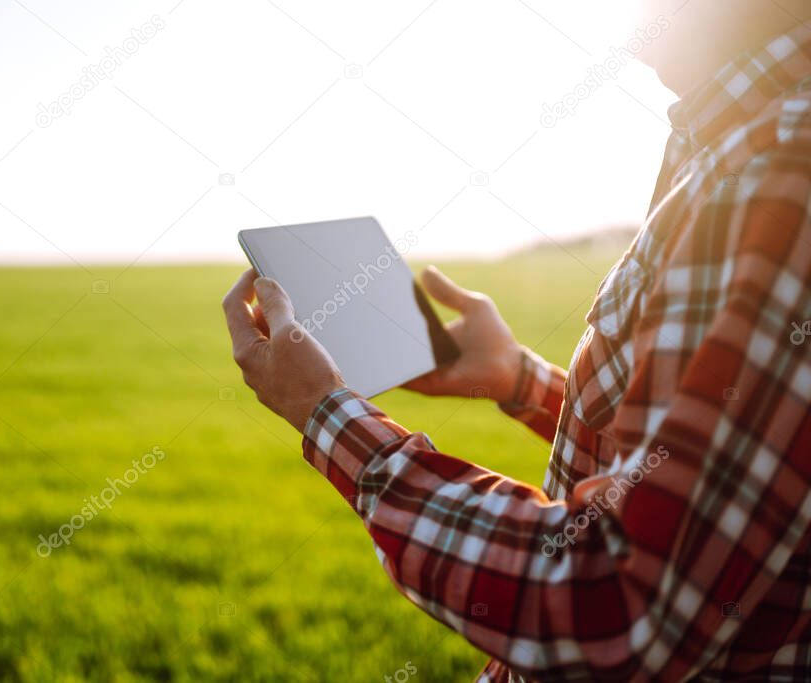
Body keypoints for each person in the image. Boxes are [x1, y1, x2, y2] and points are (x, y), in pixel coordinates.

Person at [222, 1, 811, 679]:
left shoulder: (781, 166)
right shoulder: (735, 144)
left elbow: (620, 607)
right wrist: (519, 380)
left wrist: (330, 416)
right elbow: (706, 455)